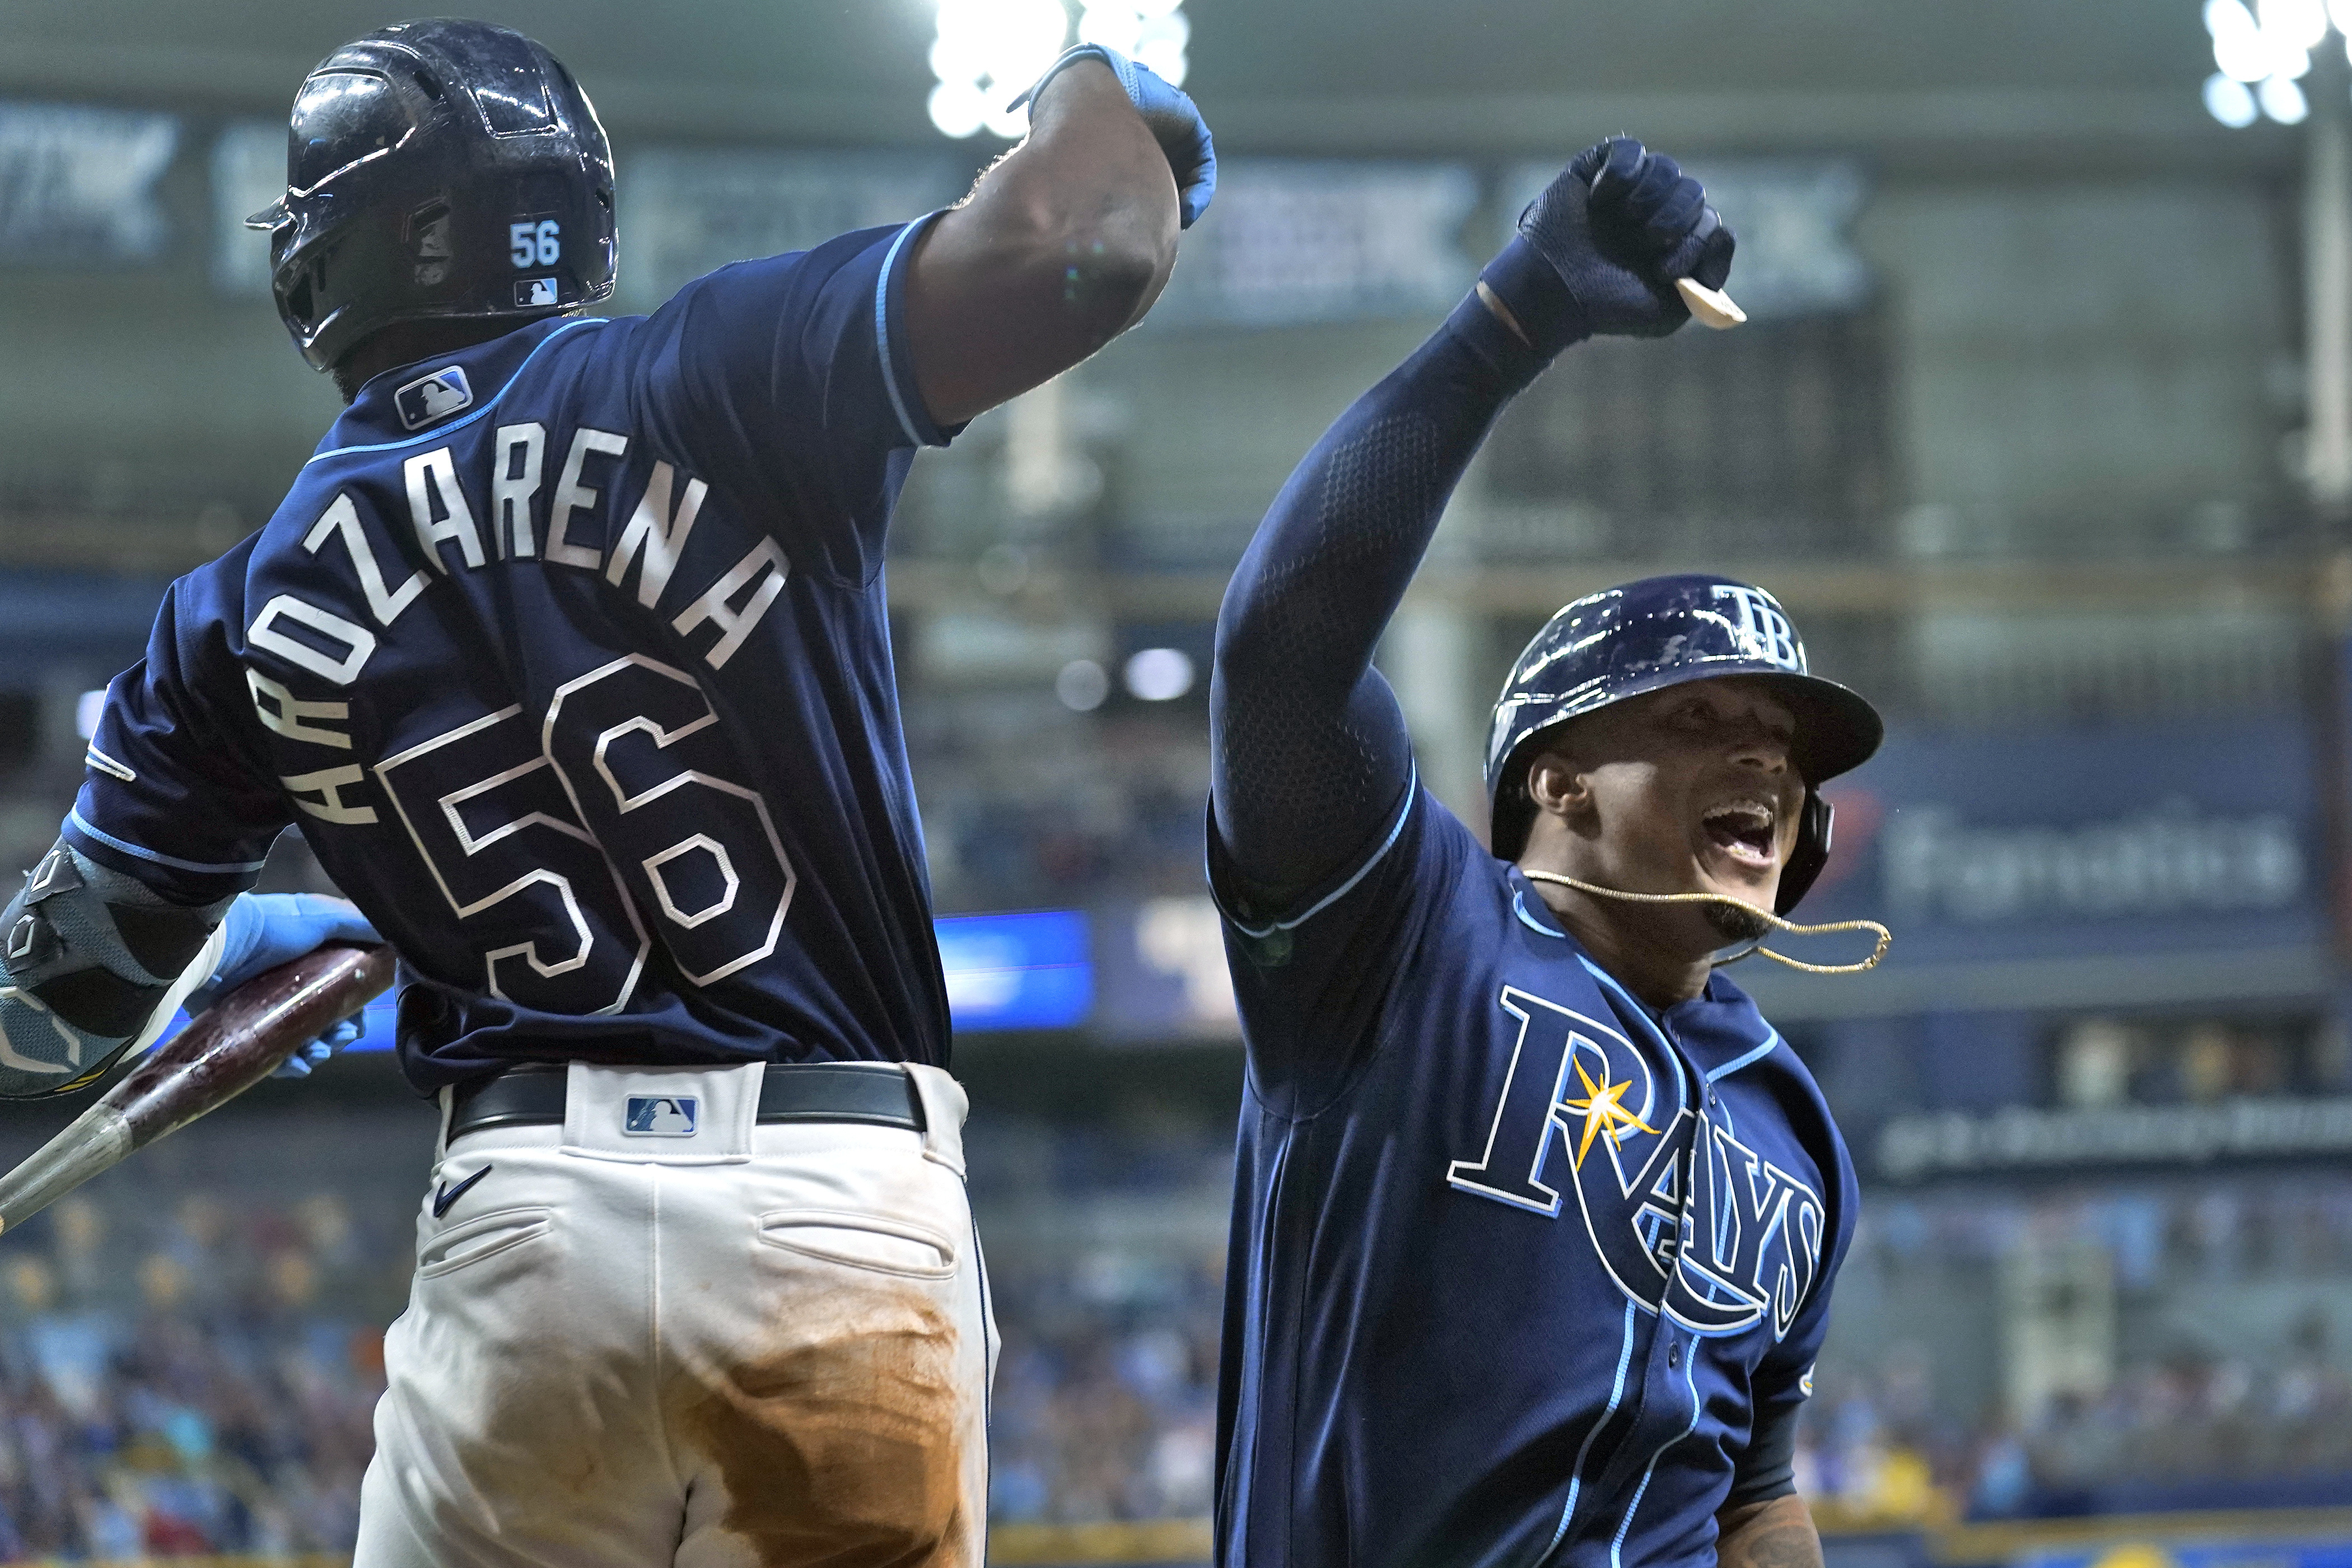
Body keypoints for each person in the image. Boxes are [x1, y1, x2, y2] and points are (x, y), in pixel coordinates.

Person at [1, 18, 1214, 1566]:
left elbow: (49, 1026)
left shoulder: (226, 620)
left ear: (356, 247)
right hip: (835, 1207)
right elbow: (1090, 237)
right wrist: (1097, 81)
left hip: (529, 1231)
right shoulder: (718, 371)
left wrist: (220, 949)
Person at [1206, 138, 1882, 1568]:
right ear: (1554, 778)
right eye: (1702, 717)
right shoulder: (1403, 939)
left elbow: (1757, 1485)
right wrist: (1512, 318)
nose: (1767, 760)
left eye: (1788, 745)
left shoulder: (1796, 1127)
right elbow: (1280, 658)